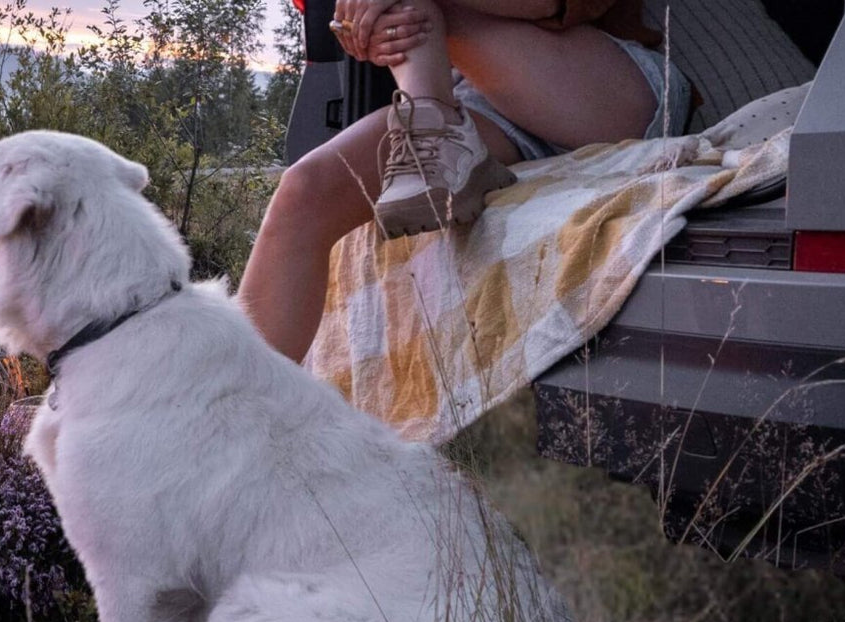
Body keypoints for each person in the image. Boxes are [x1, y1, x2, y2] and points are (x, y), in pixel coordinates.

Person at [237, 0, 689, 362]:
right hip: (480, 102)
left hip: (600, 87)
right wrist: (372, 29)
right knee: (304, 191)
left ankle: (436, 137)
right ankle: (224, 425)